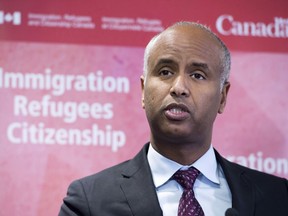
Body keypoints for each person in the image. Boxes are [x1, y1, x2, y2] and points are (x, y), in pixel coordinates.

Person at [59, 21, 288, 216]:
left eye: (197, 75)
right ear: (143, 90)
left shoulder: (278, 198)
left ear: (222, 97)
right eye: (165, 72)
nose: (179, 88)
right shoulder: (90, 201)